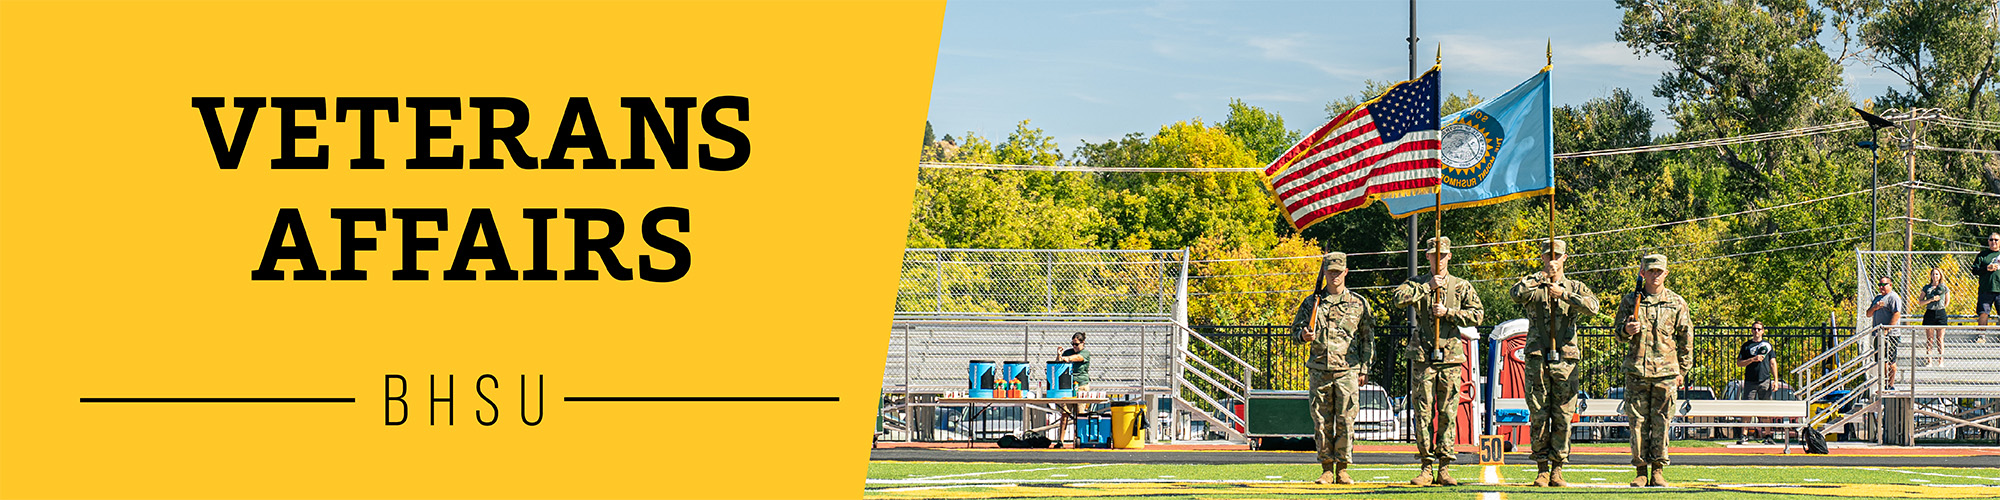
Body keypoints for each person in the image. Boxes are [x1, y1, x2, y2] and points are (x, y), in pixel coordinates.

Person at [1394, 236, 1483, 487]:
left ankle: (1444, 466)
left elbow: (1478, 314)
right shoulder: (1417, 283)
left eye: (1443, 255)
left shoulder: (1461, 286)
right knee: (1423, 411)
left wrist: (1450, 313)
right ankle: (1425, 465)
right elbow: (1398, 299)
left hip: (1451, 356)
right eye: (1434, 255)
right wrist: (1427, 287)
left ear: (1450, 256)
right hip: (1423, 355)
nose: (1439, 259)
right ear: (1427, 257)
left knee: (1447, 412)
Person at [1509, 239, 1599, 487]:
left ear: (1565, 258)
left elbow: (1593, 307)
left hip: (1566, 359)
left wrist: (1566, 295)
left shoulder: (1575, 286)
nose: (1553, 261)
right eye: (1548, 256)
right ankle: (1541, 467)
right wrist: (1539, 278)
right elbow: (1515, 294)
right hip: (1538, 357)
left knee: (1563, 414)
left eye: (1557, 256)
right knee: (1538, 413)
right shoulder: (1533, 284)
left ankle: (1558, 467)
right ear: (1542, 258)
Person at [1290, 252, 1374, 485]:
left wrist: (1365, 368)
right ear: (1324, 273)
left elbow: (1368, 339)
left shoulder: (1358, 303)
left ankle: (1343, 468)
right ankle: (1327, 467)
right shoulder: (1311, 303)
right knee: (1321, 421)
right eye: (1330, 272)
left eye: (1338, 272)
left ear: (1345, 272)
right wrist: (1303, 336)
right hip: (1319, 369)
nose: (1334, 276)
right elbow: (1294, 332)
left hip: (1348, 370)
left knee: (1346, 420)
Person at [1614, 254, 1694, 488]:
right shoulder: (1631, 301)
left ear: (1666, 273)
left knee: (1661, 422)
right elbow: (1617, 334)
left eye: (1659, 271)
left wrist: (1682, 370)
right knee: (1637, 422)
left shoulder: (1677, 302)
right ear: (1643, 273)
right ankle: (1640, 470)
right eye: (1651, 271)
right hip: (1637, 371)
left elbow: (1686, 339)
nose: (1655, 275)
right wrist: (1627, 329)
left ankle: (1658, 470)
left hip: (1666, 372)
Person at [1736, 321, 1776, 443]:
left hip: (1765, 380)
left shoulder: (1768, 346)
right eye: (1754, 329)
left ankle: (1768, 436)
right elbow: (1739, 363)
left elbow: (1773, 362)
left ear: (1763, 331)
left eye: (1759, 329)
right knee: (1747, 409)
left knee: (1766, 409)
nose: (1756, 331)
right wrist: (1753, 359)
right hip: (1750, 381)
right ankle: (1744, 435)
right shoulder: (1747, 346)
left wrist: (1776, 380)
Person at [1867, 276, 1904, 390]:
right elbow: (1868, 313)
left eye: (1884, 285)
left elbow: (1897, 314)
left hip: (1891, 335)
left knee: (1890, 360)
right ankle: (1883, 384)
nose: (1881, 287)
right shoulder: (1877, 298)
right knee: (1881, 360)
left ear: (1890, 285)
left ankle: (1890, 384)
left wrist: (1888, 329)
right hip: (1878, 334)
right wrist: (1875, 307)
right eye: (1880, 285)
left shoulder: (1893, 297)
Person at [1917, 268, 1952, 363]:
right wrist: (1931, 300)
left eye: (1937, 274)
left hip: (1940, 313)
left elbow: (1947, 301)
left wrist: (1941, 307)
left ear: (1940, 276)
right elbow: (1920, 302)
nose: (1935, 276)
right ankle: (1929, 359)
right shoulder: (1927, 288)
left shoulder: (1944, 287)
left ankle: (1941, 359)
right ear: (1931, 276)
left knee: (1940, 338)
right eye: (1933, 274)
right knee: (1930, 338)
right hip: (1930, 313)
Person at [1977, 233, 2000, 330]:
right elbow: (1974, 270)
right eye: (1991, 240)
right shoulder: (1982, 255)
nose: (1993, 242)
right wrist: (1986, 268)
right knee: (1983, 313)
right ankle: (1981, 335)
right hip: (1986, 289)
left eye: (1996, 240)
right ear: (1988, 241)